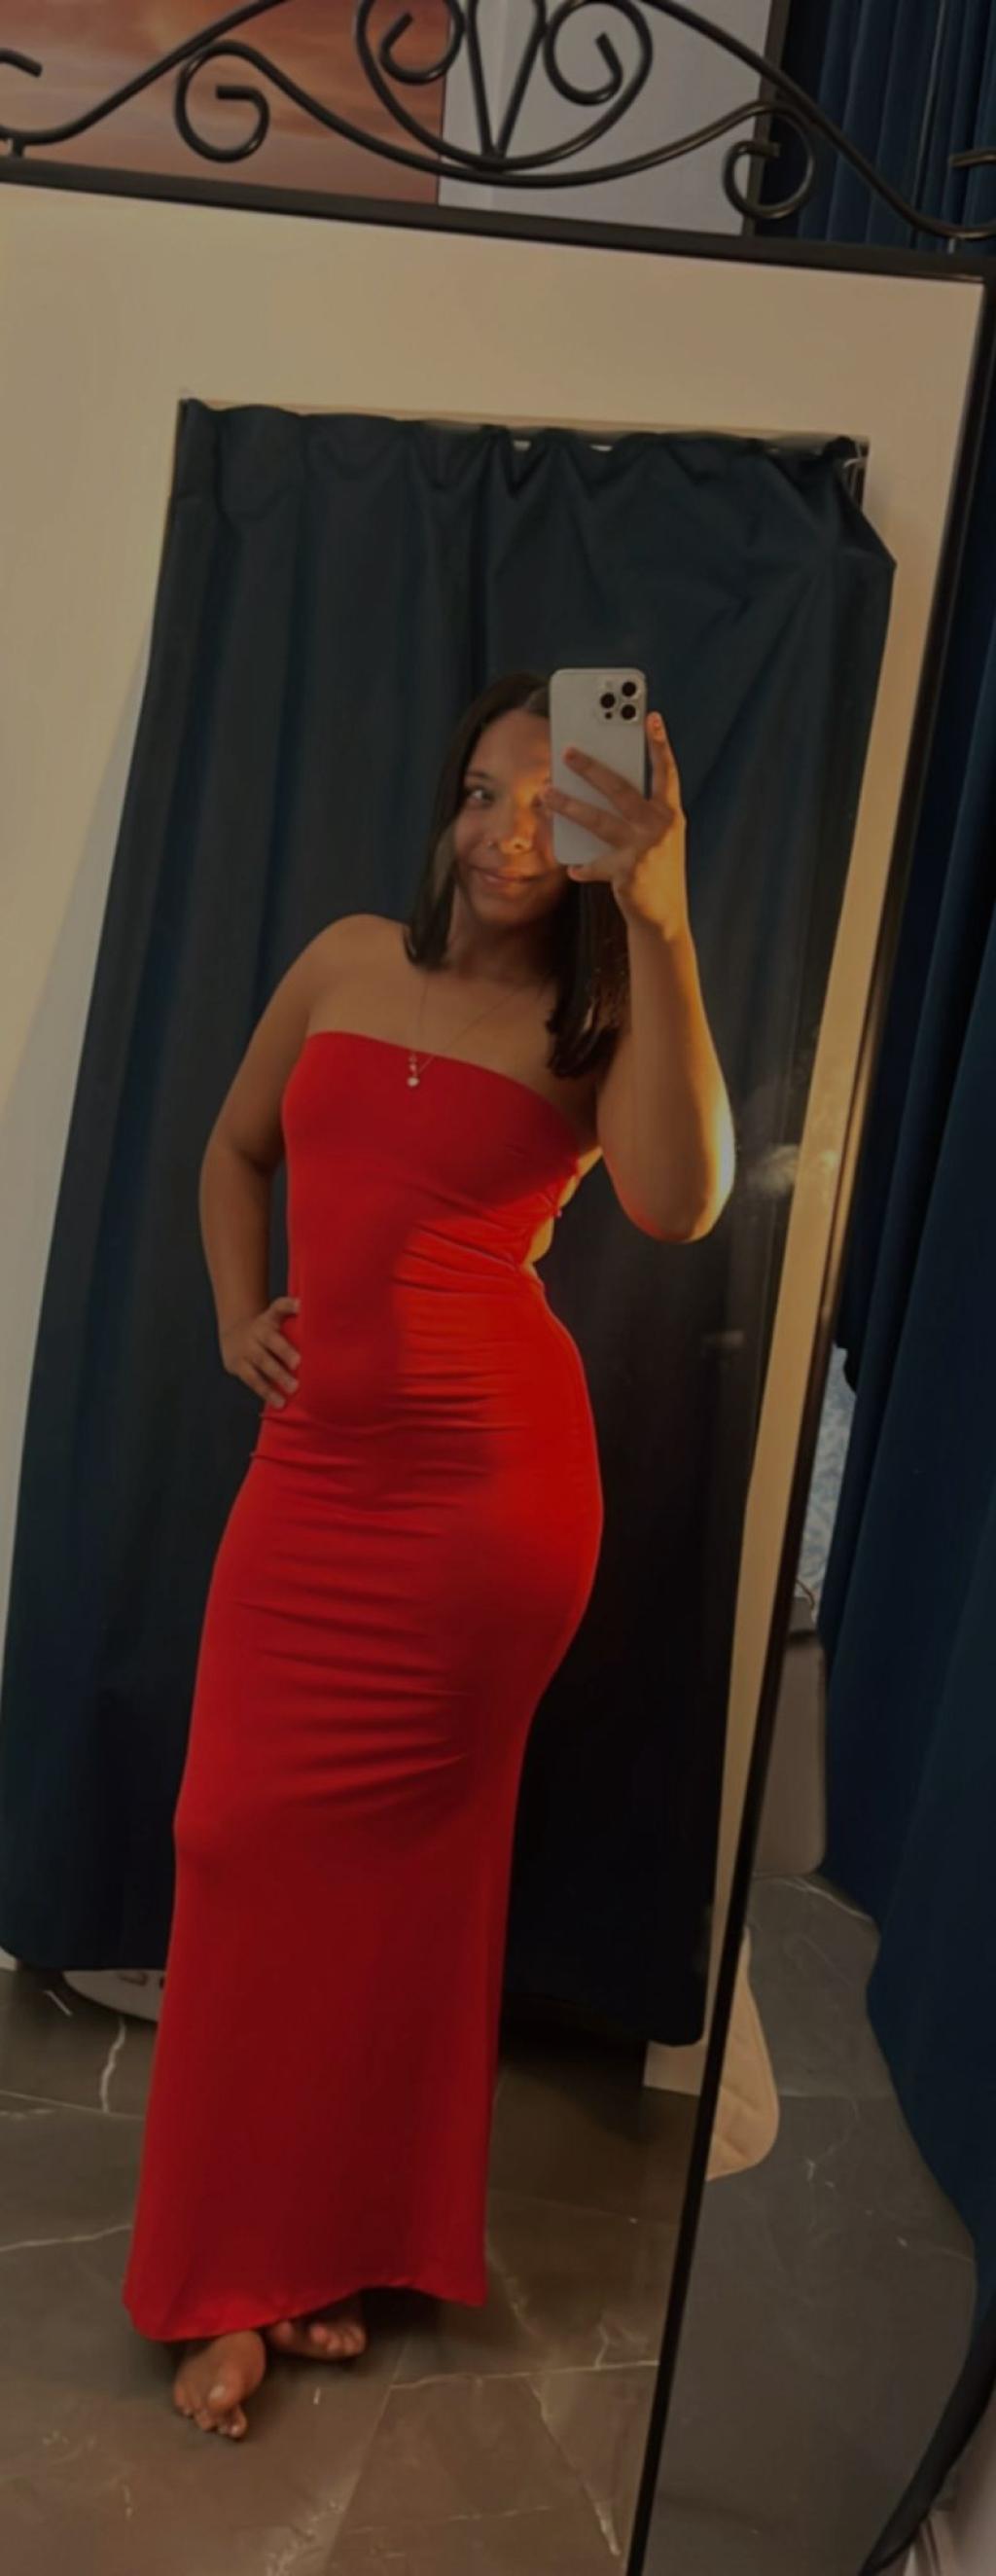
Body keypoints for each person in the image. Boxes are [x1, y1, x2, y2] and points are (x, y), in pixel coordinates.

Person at [120, 669, 734, 2439]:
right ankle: (248, 2252)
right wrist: (238, 1314)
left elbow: (684, 1196)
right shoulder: (339, 959)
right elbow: (234, 1151)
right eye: (481, 791)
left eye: (552, 804)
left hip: (488, 1507)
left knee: (407, 1894)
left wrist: (663, 921)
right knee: (233, 1841)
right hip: (315, 1481)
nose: (504, 833)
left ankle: (305, 2259)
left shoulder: (593, 1025)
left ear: (602, 830)